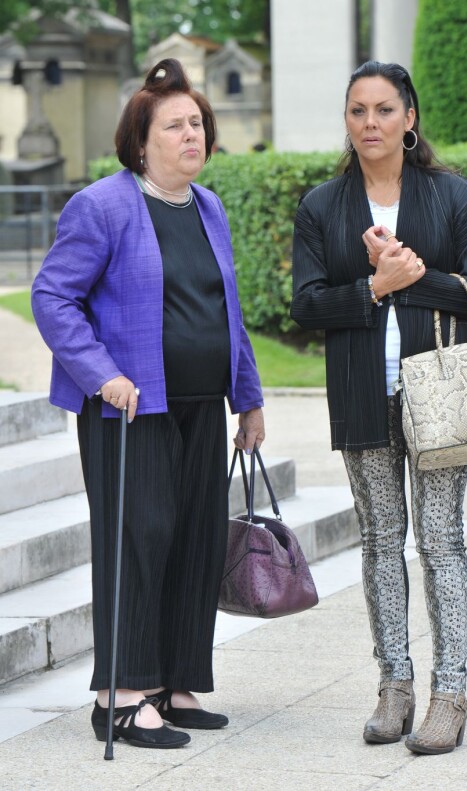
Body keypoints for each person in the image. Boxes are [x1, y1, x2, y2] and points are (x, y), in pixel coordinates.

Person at [31, 58, 265, 749]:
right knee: (139, 541)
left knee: (194, 540)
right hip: (129, 411)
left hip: (200, 403)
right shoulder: (102, 206)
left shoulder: (210, 207)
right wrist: (101, 373)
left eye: (198, 123)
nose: (192, 135)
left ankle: (175, 679)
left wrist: (247, 398)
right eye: (176, 126)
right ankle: (122, 693)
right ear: (141, 141)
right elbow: (52, 296)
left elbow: (229, 311)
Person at [291, 61, 467, 755]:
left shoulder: (454, 196)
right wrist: (374, 286)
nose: (370, 124)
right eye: (357, 111)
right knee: (381, 540)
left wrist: (415, 277)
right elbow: (306, 303)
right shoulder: (323, 205)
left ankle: (450, 692)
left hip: (438, 393)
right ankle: (395, 687)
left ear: (410, 117)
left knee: (440, 539)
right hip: (359, 390)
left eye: (384, 110)